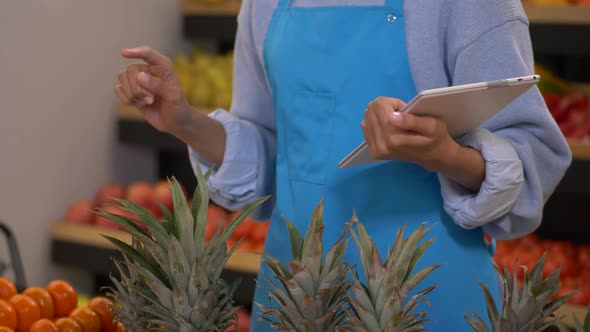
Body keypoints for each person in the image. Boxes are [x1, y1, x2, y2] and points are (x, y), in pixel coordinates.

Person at [114, 0, 572, 330]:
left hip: (428, 301)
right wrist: (184, 121)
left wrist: (445, 156)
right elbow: (271, 156)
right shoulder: (266, 6)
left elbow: (535, 154)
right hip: (296, 296)